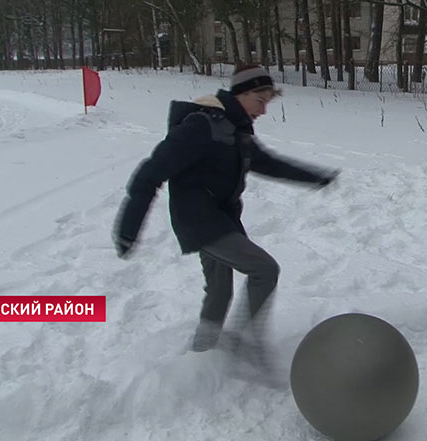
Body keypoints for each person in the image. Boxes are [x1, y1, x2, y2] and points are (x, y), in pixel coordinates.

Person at [113, 65, 339, 354]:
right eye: (261, 101)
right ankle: (243, 344)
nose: (263, 111)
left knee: (220, 291)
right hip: (200, 221)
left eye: (268, 103)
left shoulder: (235, 131)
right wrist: (128, 230)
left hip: (221, 219)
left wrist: (315, 177)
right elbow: (150, 173)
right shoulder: (201, 126)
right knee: (264, 269)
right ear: (242, 94)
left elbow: (269, 163)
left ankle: (203, 354)